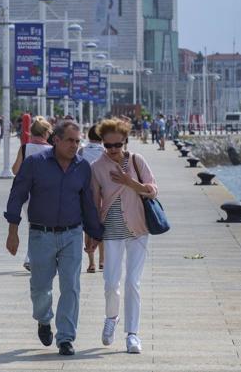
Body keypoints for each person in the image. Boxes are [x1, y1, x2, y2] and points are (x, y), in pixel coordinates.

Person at [4, 120, 103, 356]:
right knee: (40, 288)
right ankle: (43, 319)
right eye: (70, 140)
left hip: (72, 234)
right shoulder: (35, 164)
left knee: (71, 287)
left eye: (78, 141)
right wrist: (13, 231)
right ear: (55, 140)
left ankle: (66, 338)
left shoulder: (82, 167)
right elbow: (17, 194)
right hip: (41, 234)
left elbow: (87, 203)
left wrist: (94, 234)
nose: (75, 145)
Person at [89, 119, 158, 354]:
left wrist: (130, 182)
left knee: (132, 282)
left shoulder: (137, 161)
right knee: (110, 283)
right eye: (108, 146)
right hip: (111, 231)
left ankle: (133, 334)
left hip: (138, 229)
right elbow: (94, 202)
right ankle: (112, 317)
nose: (113, 150)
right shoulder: (97, 167)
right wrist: (92, 234)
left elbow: (152, 190)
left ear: (125, 141)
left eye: (117, 144)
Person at [11, 117, 52, 272]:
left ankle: (32, 258)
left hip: (27, 195)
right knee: (43, 227)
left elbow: (15, 170)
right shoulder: (51, 151)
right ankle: (33, 258)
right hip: (46, 195)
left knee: (33, 226)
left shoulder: (25, 148)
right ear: (46, 133)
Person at [79, 124, 105, 273]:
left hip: (86, 194)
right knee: (102, 226)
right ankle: (103, 260)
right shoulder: (106, 152)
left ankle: (91, 263)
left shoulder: (82, 151)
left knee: (88, 228)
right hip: (103, 194)